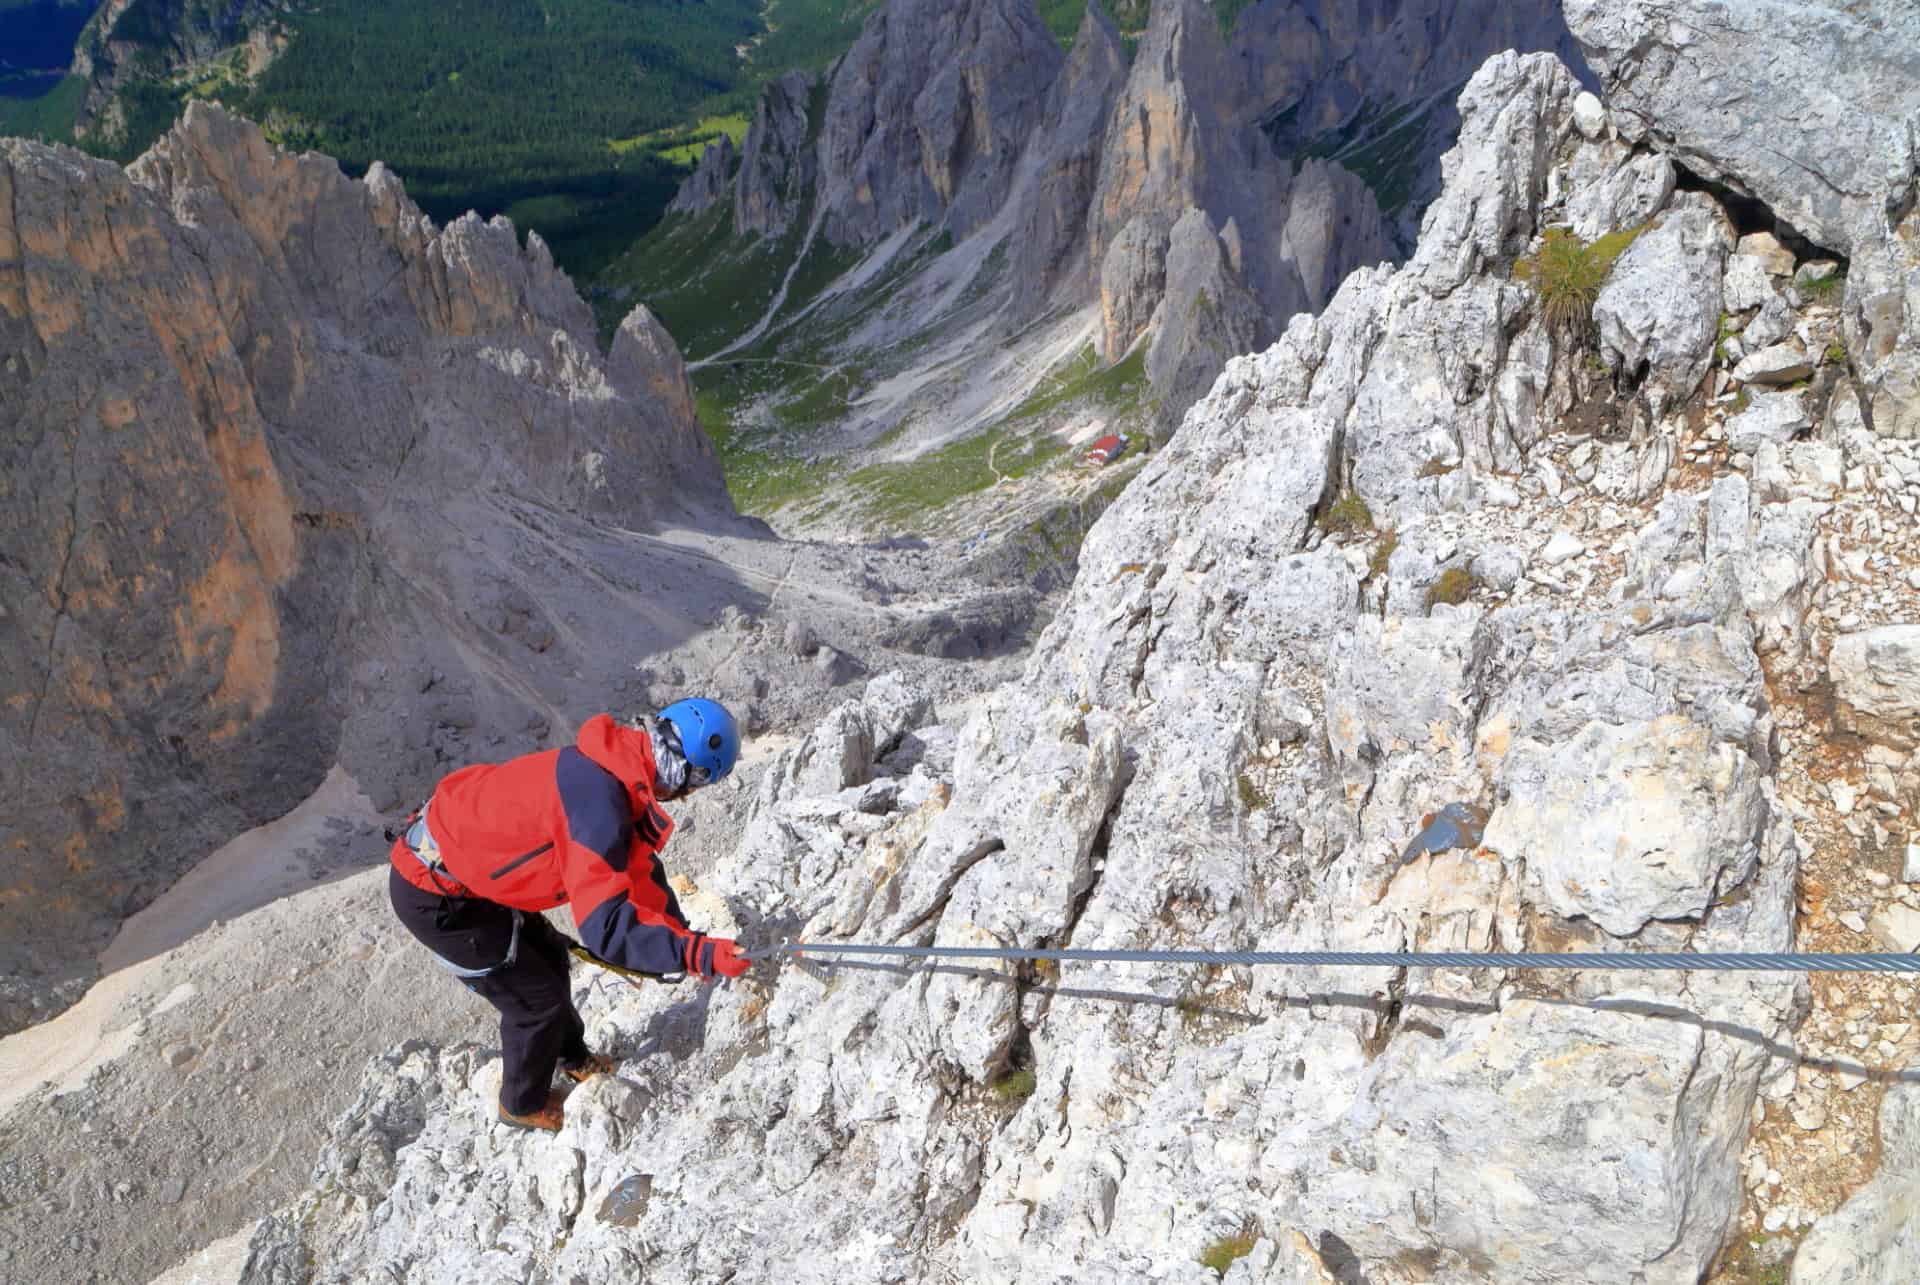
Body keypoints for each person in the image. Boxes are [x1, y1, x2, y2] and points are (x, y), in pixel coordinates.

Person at [388, 698, 751, 1132]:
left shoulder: (614, 765)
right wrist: (695, 954)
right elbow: (606, 927)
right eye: (694, 786)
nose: (688, 797)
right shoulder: (600, 807)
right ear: (688, 774)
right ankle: (521, 1104)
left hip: (462, 863)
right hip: (435, 895)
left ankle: (571, 1055)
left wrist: (683, 938)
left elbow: (636, 867)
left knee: (549, 956)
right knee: (535, 1000)